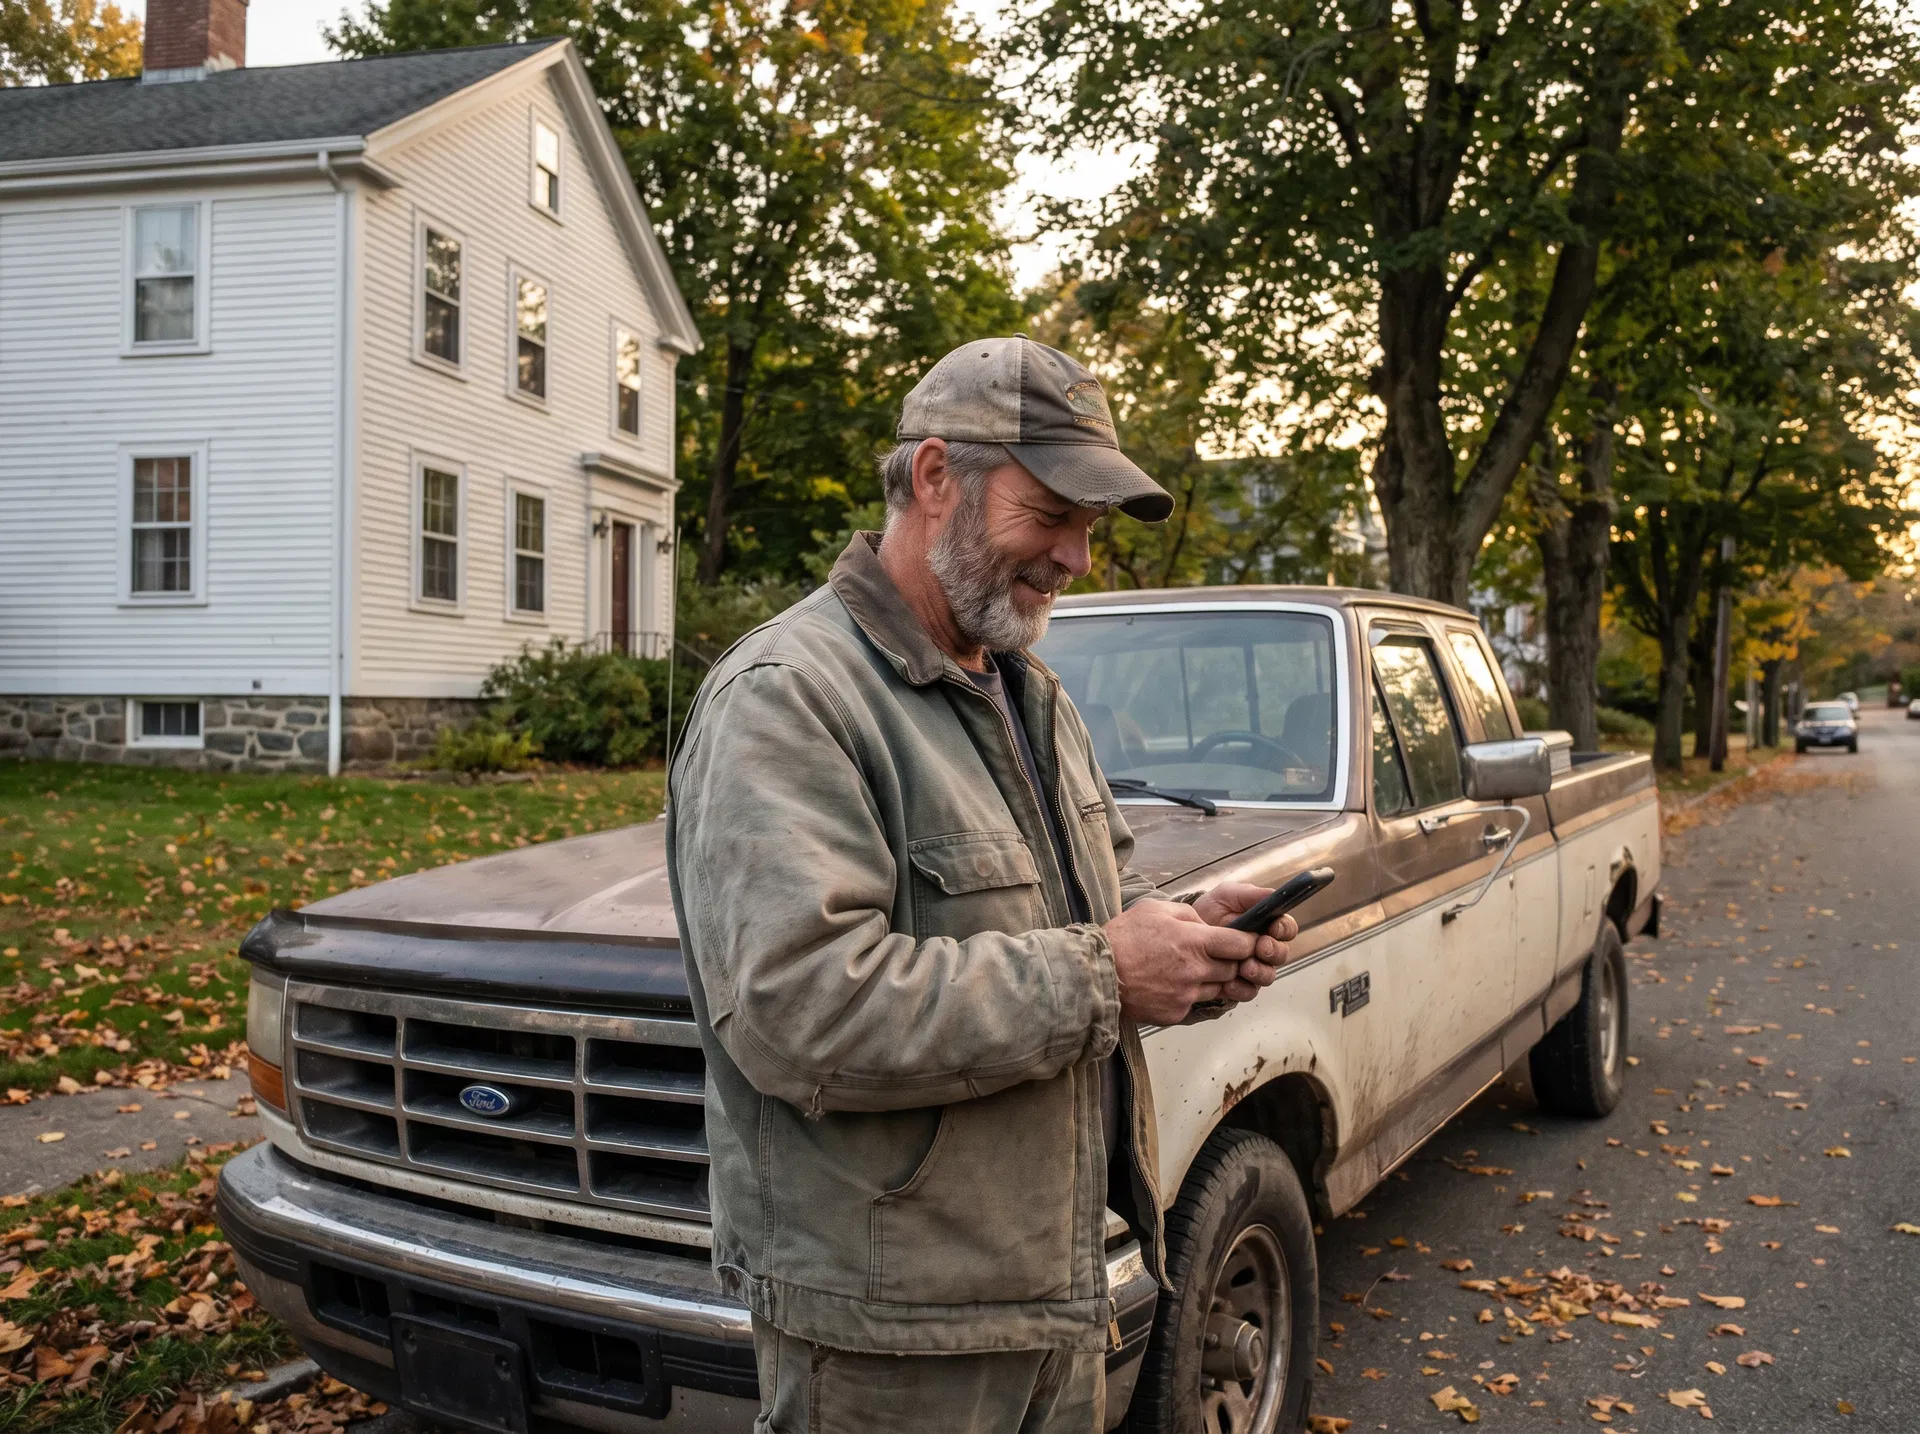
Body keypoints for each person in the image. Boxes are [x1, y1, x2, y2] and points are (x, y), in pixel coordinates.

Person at [666, 335, 1299, 1433]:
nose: (1075, 558)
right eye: (1050, 513)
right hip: (890, 1339)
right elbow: (800, 1009)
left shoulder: (1027, 690)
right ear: (933, 477)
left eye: (1089, 528)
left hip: (1047, 1297)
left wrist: (1190, 944)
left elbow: (1068, 916)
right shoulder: (790, 697)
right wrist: (1109, 975)